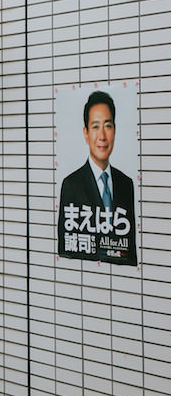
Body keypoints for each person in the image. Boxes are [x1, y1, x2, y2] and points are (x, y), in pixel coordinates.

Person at [57, 90, 137, 265]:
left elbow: (130, 249)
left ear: (114, 130)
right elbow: (65, 247)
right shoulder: (71, 184)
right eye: (95, 127)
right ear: (86, 133)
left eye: (107, 126)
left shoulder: (126, 183)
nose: (102, 136)